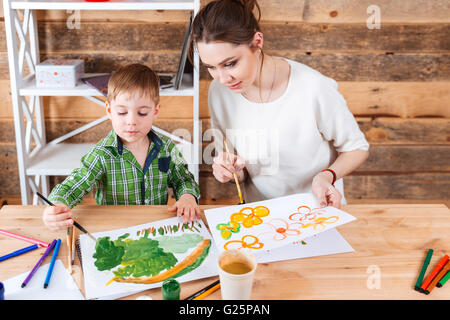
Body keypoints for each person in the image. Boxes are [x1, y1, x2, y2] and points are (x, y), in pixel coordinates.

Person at [191, 0, 369, 207]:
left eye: (230, 63)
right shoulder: (219, 92)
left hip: (318, 209)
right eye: (211, 67)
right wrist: (232, 171)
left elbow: (357, 148)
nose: (222, 78)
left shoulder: (314, 87)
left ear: (257, 42)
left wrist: (327, 176)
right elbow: (237, 165)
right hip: (260, 214)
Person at [43, 64, 200, 230]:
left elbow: (182, 178)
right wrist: (56, 205)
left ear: (155, 111)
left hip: (156, 228)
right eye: (122, 112)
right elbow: (74, 184)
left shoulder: (165, 148)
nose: (131, 121)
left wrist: (187, 196)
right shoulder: (102, 154)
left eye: (142, 113)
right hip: (115, 229)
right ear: (109, 110)